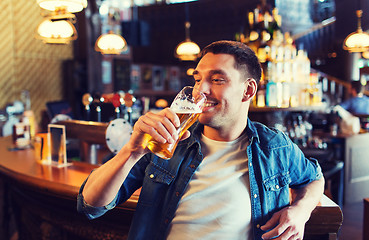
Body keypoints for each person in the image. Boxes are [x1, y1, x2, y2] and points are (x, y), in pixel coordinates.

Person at [77, 40, 324, 240]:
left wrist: (300, 211)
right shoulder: (169, 141)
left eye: (217, 80)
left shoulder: (274, 147)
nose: (200, 90)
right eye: (197, 79)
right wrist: (130, 151)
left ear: (248, 90)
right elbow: (90, 205)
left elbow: (314, 179)